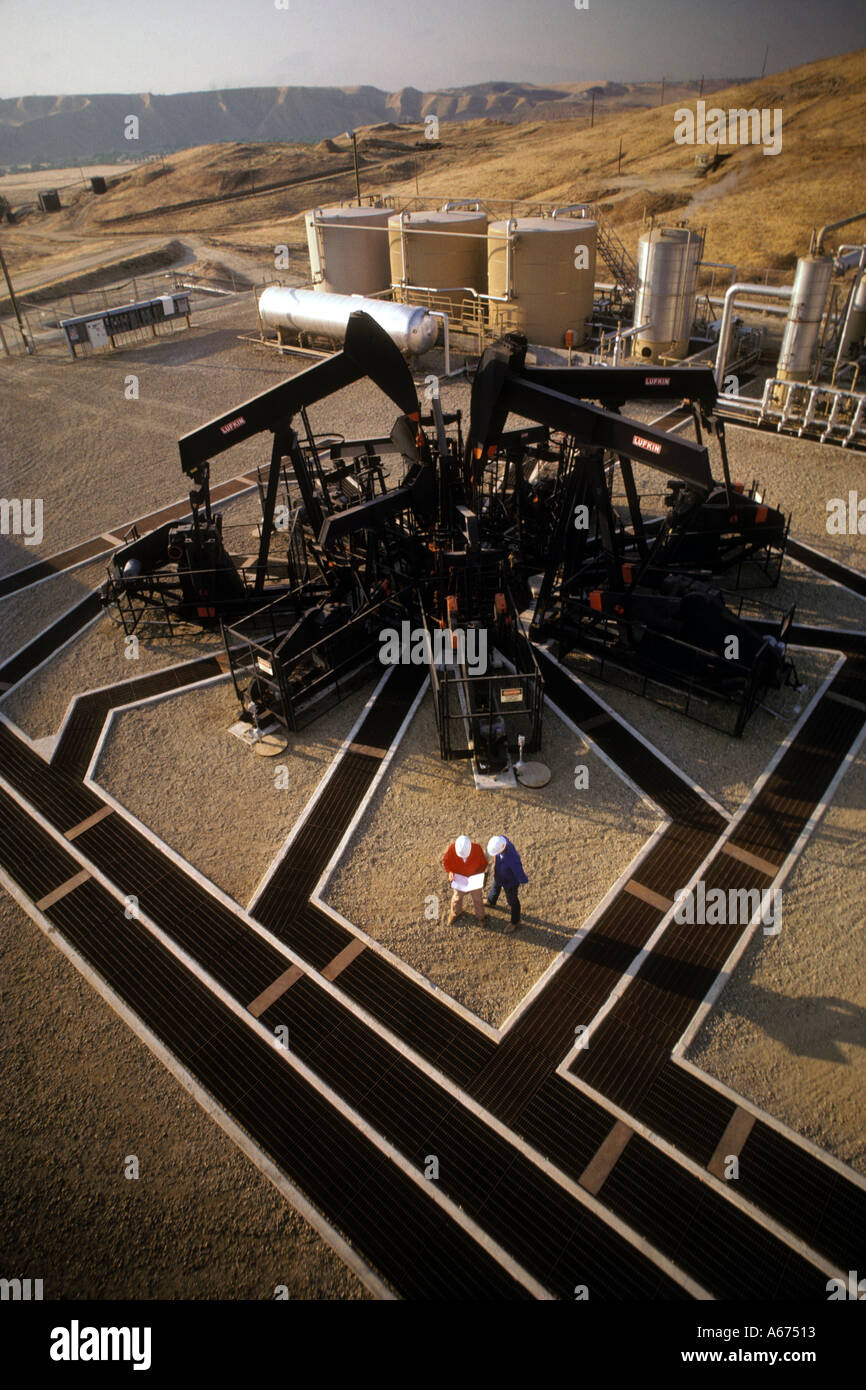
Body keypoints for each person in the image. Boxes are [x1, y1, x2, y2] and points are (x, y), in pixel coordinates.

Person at [442, 834, 488, 925]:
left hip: (474, 878)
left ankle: (481, 917)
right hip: (459, 878)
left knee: (478, 899)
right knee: (457, 898)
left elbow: (483, 864)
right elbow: (446, 862)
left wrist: (477, 875)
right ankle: (455, 913)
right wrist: (450, 872)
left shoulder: (477, 849)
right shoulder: (451, 849)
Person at [486, 835, 528, 932]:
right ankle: (491, 901)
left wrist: (523, 880)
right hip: (499, 875)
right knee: (495, 887)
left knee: (512, 901)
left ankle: (515, 921)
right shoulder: (503, 841)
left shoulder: (512, 860)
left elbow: (519, 873)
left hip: (510, 882)